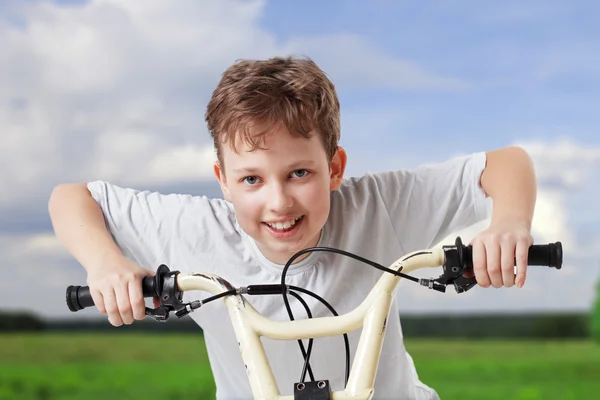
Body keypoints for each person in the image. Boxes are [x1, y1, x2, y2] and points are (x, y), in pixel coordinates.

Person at [48, 55, 536, 399]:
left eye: (300, 173)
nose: (278, 202)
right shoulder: (195, 231)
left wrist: (509, 223)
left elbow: (505, 162)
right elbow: (73, 196)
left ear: (335, 167)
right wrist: (106, 263)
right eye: (251, 179)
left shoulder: (377, 205)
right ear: (223, 180)